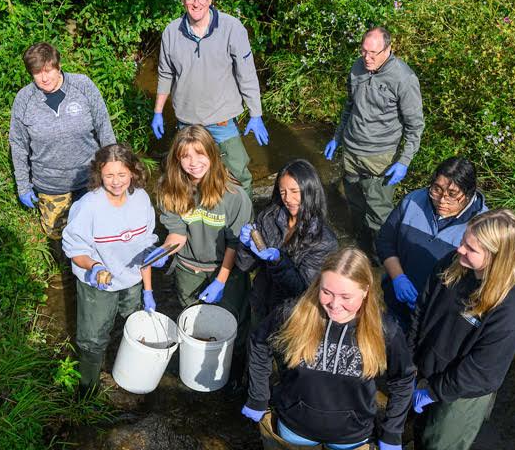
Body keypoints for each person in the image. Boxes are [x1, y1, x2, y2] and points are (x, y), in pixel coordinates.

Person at [242, 247, 415, 450]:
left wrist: (391, 431)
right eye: (326, 292)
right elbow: (258, 343)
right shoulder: (295, 312)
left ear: (366, 290)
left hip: (351, 434)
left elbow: (404, 380)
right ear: (317, 285)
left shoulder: (384, 329)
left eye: (346, 296)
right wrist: (258, 396)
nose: (335, 304)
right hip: (295, 427)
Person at [380, 209, 515, 450]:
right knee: (421, 429)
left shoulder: (511, 313)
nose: (460, 250)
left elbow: (482, 371)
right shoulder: (455, 264)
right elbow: (423, 307)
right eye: (464, 241)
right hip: (427, 366)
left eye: (471, 248)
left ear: (497, 258)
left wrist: (434, 391)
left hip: (466, 388)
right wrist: (411, 355)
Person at [152, 0, 268, 191]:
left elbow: (247, 74)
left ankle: (245, 222)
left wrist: (256, 114)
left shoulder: (232, 28)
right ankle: (197, 222)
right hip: (187, 122)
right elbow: (165, 73)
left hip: (222, 121)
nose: (195, 2)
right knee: (188, 178)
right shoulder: (171, 32)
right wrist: (158, 111)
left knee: (238, 175)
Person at [61, 145, 159, 395]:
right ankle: (87, 391)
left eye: (122, 175)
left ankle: (125, 373)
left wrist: (148, 290)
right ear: (99, 175)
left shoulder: (141, 200)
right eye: (109, 176)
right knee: (92, 340)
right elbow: (74, 248)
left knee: (131, 327)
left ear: (133, 173)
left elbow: (146, 245)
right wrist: (93, 267)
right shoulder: (88, 206)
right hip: (98, 284)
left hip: (132, 281)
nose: (116, 182)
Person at [323, 26, 425, 251]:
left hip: (380, 157)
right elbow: (349, 106)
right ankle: (361, 248)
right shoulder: (357, 67)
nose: (367, 58)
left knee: (379, 213)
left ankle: (383, 260)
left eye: (373, 53)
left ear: (389, 49)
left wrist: (404, 161)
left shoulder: (404, 79)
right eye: (363, 51)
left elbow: (415, 126)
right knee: (355, 205)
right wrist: (337, 137)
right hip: (351, 152)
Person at [10, 42, 117, 241]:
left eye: (48, 70)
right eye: (37, 73)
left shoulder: (82, 86)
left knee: (95, 234)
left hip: (89, 180)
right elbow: (18, 145)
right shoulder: (24, 99)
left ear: (58, 66)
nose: (44, 77)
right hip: (51, 185)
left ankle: (94, 270)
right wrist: (23, 185)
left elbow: (104, 128)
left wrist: (112, 170)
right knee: (59, 237)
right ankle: (65, 271)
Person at [375, 157, 487, 331]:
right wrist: (398, 277)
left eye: (452, 194)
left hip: (436, 317)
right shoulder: (413, 200)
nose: (442, 200)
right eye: (437, 189)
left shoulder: (483, 225)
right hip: (396, 299)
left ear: (469, 193)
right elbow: (385, 240)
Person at [154, 125, 252, 320]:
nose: (194, 163)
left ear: (213, 155)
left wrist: (221, 281)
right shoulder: (169, 190)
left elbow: (235, 243)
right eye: (186, 156)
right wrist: (164, 250)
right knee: (191, 320)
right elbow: (178, 234)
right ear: (177, 159)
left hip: (225, 268)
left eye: (200, 154)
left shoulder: (234, 195)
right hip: (188, 268)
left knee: (233, 322)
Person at [236, 159, 338, 326]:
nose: (288, 199)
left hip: (292, 317)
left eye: (294, 191)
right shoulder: (269, 217)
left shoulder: (323, 240)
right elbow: (245, 266)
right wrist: (245, 247)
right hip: (260, 304)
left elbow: (303, 290)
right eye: (283, 191)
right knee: (255, 347)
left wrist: (278, 262)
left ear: (310, 191)